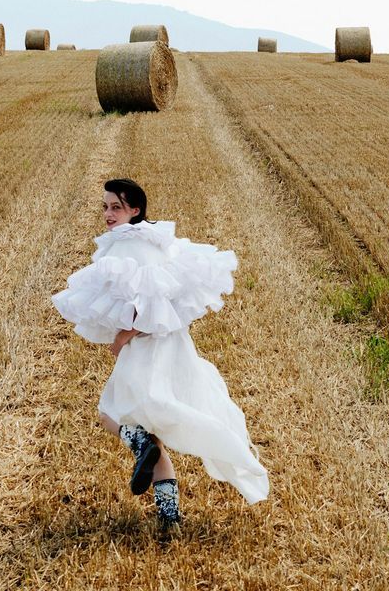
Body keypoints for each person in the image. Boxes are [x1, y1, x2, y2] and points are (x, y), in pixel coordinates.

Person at [52, 178, 269, 529]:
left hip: (149, 347)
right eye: (105, 207)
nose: (108, 214)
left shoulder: (129, 244)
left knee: (111, 412)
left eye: (116, 207)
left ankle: (140, 447)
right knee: (149, 427)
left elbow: (152, 308)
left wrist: (123, 336)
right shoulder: (154, 241)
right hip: (169, 345)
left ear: (135, 210)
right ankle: (169, 517)